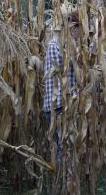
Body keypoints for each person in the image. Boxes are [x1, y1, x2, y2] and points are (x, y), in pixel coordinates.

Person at [43, 11, 78, 163]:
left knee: (68, 147)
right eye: (78, 28)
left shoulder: (70, 46)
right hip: (57, 106)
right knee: (62, 149)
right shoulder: (55, 45)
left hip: (68, 105)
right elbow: (65, 66)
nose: (80, 33)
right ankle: (60, 183)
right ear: (72, 27)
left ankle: (68, 182)